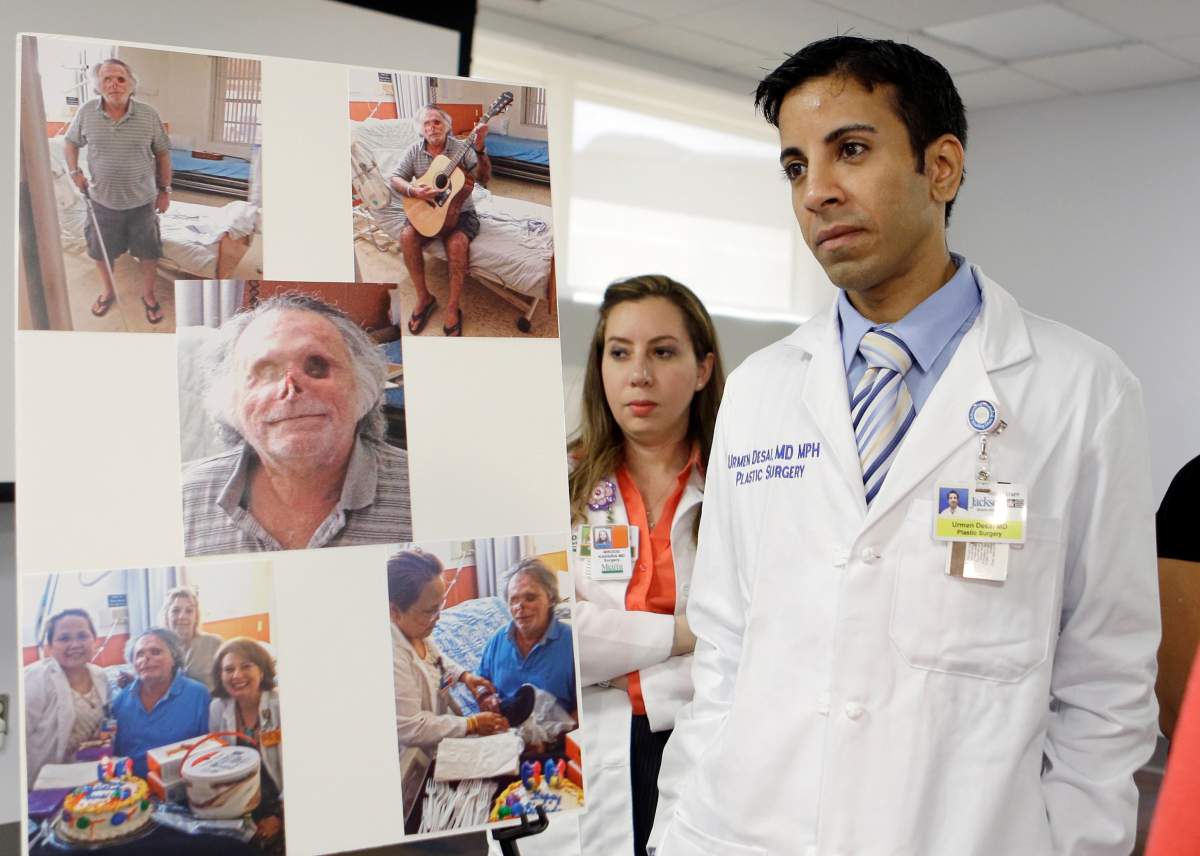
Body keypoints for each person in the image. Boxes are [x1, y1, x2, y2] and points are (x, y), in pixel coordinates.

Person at [651, 36, 1159, 856]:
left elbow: (1107, 685)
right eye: (793, 166)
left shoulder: (1082, 391)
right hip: (743, 834)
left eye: (850, 150)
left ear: (943, 168)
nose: (816, 192)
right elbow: (725, 647)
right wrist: (679, 832)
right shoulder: (760, 389)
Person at [525, 275, 722, 856]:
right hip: (588, 748)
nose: (639, 373)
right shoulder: (551, 483)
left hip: (704, 739)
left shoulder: (743, 487)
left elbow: (758, 632)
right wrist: (683, 632)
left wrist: (616, 648)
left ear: (703, 368)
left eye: (663, 352)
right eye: (620, 352)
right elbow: (552, 637)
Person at [182, 293, 412, 554]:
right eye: (266, 373)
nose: (290, 388)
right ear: (230, 402)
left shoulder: (425, 489)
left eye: (317, 366)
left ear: (363, 388)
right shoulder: (179, 499)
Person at [63, 58, 171, 325]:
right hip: (101, 202)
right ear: (98, 86)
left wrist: (165, 190)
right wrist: (75, 171)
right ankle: (108, 291)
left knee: (148, 252)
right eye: (107, 79)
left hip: (142, 202)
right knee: (101, 252)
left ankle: (147, 295)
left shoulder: (148, 114)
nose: (114, 84)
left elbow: (163, 153)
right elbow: (70, 142)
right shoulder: (86, 112)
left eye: (121, 79)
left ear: (131, 84)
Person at [388, 549, 508, 755]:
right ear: (394, 612)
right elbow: (410, 727)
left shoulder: (419, 630)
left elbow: (439, 660)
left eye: (440, 606)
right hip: (414, 758)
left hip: (442, 739)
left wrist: (465, 676)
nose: (438, 617)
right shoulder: (392, 657)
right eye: (429, 611)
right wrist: (470, 724)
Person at [390, 105, 490, 337]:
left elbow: (484, 179)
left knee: (456, 245)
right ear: (421, 129)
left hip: (460, 214)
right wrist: (414, 191)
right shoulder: (414, 150)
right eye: (426, 124)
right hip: (429, 210)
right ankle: (424, 298)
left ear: (447, 125)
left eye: (436, 122)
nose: (431, 127)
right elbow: (395, 178)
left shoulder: (461, 148)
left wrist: (481, 147)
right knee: (406, 236)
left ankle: (453, 307)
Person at [209, 638, 284, 848]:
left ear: (262, 670)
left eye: (246, 666)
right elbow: (218, 762)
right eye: (228, 669)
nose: (237, 675)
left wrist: (280, 816)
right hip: (237, 804)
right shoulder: (217, 708)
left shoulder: (282, 706)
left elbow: (299, 771)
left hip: (278, 802)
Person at [23, 609, 111, 788]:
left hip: (89, 776)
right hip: (44, 783)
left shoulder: (101, 677)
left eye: (82, 636)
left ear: (95, 640)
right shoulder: (35, 679)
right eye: (64, 638)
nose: (75, 644)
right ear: (49, 646)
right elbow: (13, 736)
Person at [479, 559, 577, 718]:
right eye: (514, 600)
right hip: (503, 733)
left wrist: (554, 739)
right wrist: (485, 696)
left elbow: (583, 709)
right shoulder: (497, 640)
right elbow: (481, 682)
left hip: (556, 737)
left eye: (530, 598)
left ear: (551, 598)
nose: (520, 606)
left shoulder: (572, 643)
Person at [112, 628, 210, 776]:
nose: (146, 658)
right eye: (139, 654)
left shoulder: (198, 695)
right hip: (132, 789)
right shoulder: (120, 701)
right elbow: (115, 754)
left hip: (184, 788)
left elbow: (210, 750)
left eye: (156, 652)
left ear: (174, 658)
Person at [159, 587, 223, 691]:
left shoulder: (214, 643)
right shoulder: (158, 649)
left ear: (196, 616)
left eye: (189, 611)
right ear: (167, 615)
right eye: (175, 611)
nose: (182, 616)